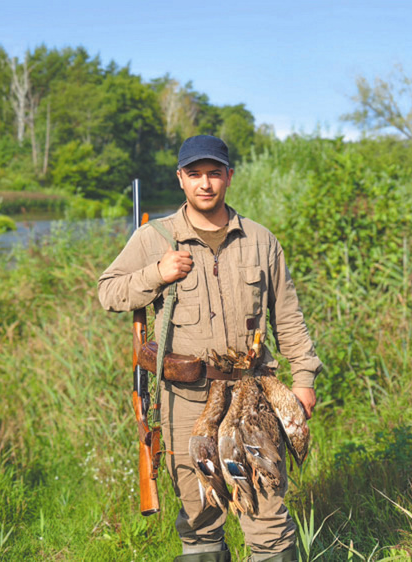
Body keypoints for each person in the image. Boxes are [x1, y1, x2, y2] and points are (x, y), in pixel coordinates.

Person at [98, 135, 322, 562]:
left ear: (229, 177)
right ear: (181, 179)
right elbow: (109, 293)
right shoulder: (154, 238)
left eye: (214, 173)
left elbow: (288, 317)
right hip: (185, 399)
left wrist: (304, 380)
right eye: (195, 174)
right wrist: (156, 274)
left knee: (268, 511)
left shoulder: (261, 240)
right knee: (199, 516)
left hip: (252, 397)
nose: (206, 184)